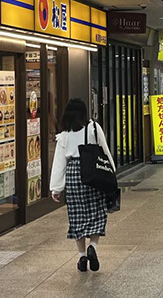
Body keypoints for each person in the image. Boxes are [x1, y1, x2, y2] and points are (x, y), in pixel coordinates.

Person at [50, 98, 115, 273]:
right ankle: (92, 245)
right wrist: (112, 174)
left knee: (77, 216)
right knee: (96, 212)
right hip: (93, 173)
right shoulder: (93, 128)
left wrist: (56, 188)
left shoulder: (64, 135)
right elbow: (105, 151)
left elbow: (59, 163)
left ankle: (81, 256)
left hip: (73, 175)